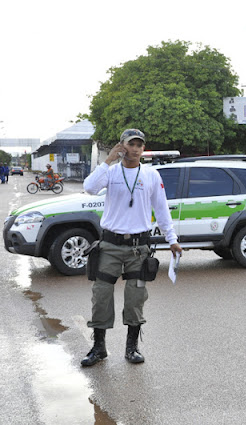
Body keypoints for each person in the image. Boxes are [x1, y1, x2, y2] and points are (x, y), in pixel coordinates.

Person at [80, 129, 182, 366]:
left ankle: (132, 348)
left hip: (139, 247)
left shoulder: (151, 175)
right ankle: (98, 348)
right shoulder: (111, 172)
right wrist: (108, 160)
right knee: (101, 295)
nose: (135, 149)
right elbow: (90, 187)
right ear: (122, 146)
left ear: (143, 149)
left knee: (136, 297)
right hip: (110, 245)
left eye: (139, 145)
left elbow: (162, 208)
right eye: (130, 144)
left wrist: (172, 238)